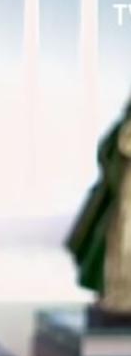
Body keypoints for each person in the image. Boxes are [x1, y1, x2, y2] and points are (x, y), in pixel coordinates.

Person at [68, 97, 131, 314]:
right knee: (121, 243)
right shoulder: (124, 126)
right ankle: (119, 296)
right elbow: (113, 150)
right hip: (124, 196)